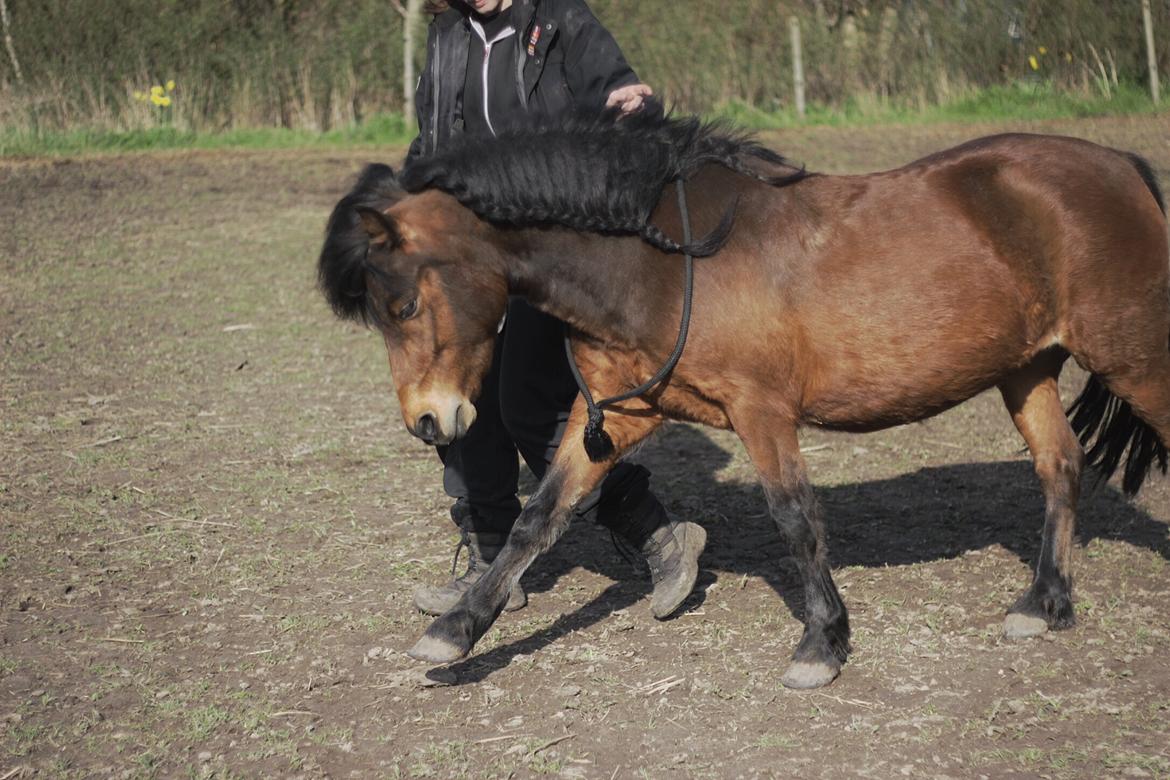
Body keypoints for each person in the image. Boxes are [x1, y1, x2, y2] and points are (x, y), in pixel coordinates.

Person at [404, 0, 706, 620]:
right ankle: (491, 556)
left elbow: (616, 90)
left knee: (528, 402)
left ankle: (660, 535)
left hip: (557, 247)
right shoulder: (449, 34)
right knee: (463, 392)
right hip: (477, 249)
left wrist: (630, 104)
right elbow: (432, 141)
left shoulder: (560, 17)